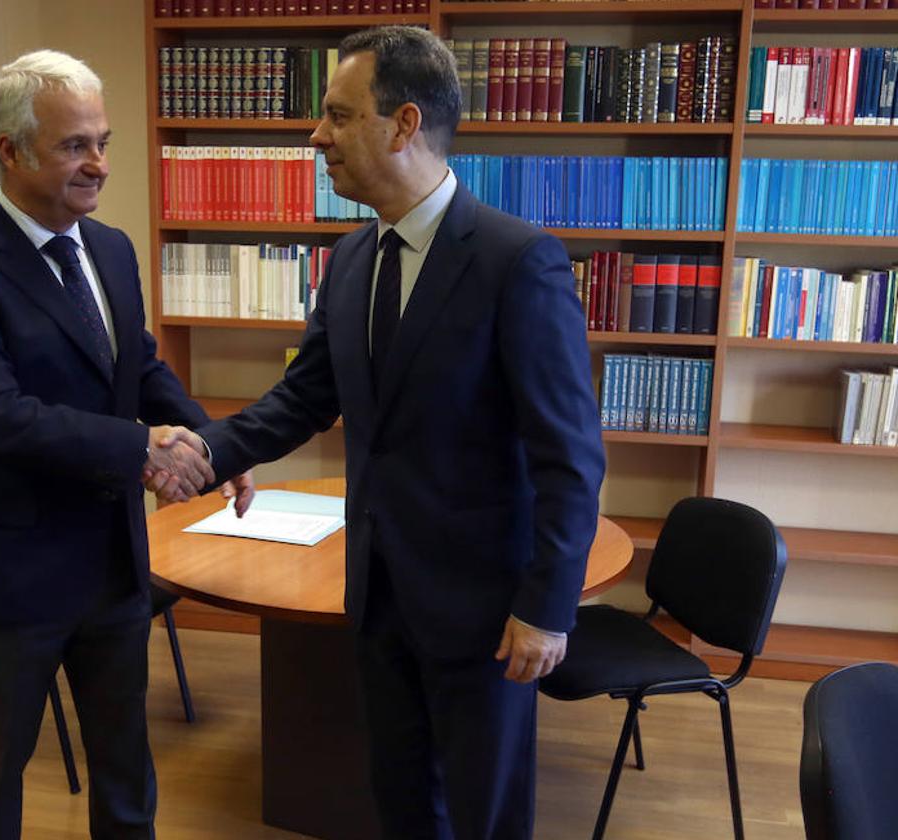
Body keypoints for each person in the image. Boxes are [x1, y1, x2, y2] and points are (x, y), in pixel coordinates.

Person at [159, 26, 604, 840]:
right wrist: (203, 452)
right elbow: (302, 400)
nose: (315, 135)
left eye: (336, 115)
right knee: (399, 800)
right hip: (377, 596)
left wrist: (548, 608)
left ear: (402, 125)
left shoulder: (518, 261)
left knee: (486, 814)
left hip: (484, 610)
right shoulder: (351, 261)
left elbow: (569, 457)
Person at [0, 49, 251, 840]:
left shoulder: (113, 248)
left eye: (103, 141)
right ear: (10, 150)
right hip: (9, 572)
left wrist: (216, 446)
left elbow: (141, 367)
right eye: (74, 146)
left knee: (127, 771)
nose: (97, 164)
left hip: (111, 564)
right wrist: (142, 449)